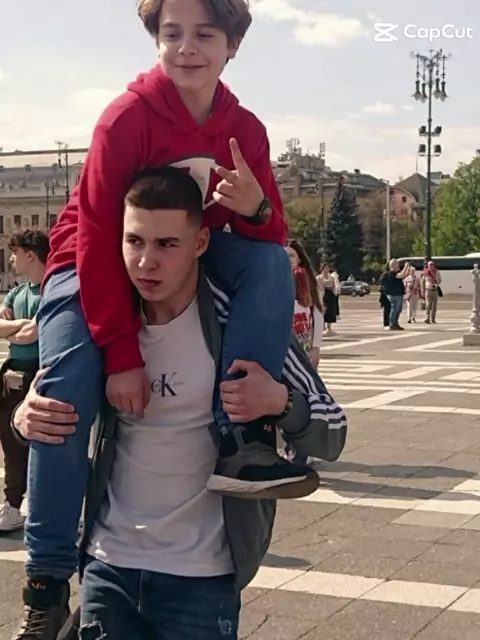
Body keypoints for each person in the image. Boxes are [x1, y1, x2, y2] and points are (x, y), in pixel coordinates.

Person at [13, 0, 313, 636]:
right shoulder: (126, 117)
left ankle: (245, 438)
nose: (186, 48)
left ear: (232, 44)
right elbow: (99, 237)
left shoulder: (244, 130)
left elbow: (270, 237)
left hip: (187, 247)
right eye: (171, 33)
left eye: (204, 33)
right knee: (62, 400)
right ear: (155, 40)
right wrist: (120, 355)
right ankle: (46, 584)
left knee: (267, 262)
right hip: (87, 255)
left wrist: (257, 208)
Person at [12, 167, 348, 640]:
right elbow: (52, 410)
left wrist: (281, 401)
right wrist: (25, 416)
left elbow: (333, 431)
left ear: (201, 243)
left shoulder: (239, 322)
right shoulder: (100, 325)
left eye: (167, 244)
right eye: (134, 241)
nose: (146, 262)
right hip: (109, 567)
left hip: (203, 578)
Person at [0, 231, 49, 532]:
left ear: (30, 255)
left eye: (15, 253)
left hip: (37, 375)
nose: (10, 259)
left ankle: (39, 505)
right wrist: (20, 325)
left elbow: (30, 335)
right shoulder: (18, 291)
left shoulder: (50, 290)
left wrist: (13, 329)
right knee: (11, 444)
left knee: (40, 446)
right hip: (11, 379)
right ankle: (12, 504)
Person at [286, 240, 324, 369]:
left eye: (291, 255)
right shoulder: (275, 281)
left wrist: (316, 347)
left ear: (300, 258)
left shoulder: (310, 283)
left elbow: (318, 316)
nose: (288, 260)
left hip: (304, 346)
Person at [378, 259, 410, 330]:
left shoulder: (395, 273)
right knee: (395, 310)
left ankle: (395, 323)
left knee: (398, 310)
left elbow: (404, 275)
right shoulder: (392, 273)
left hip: (398, 294)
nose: (398, 265)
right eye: (397, 264)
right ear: (393, 265)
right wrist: (406, 266)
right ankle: (392, 324)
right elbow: (402, 275)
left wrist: (408, 268)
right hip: (394, 295)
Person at [317, 264, 338, 336]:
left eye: (328, 268)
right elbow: (320, 286)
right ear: (322, 269)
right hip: (323, 295)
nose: (327, 269)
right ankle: (323, 327)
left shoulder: (331, 277)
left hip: (330, 295)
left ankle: (329, 328)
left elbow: (333, 286)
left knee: (330, 311)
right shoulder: (319, 278)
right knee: (323, 311)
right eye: (325, 268)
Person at [422, 260, 442, 324]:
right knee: (428, 305)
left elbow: (440, 280)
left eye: (432, 265)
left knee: (434, 305)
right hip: (428, 290)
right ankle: (427, 318)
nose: (431, 266)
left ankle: (433, 319)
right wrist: (422, 290)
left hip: (435, 290)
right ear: (428, 266)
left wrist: (437, 284)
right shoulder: (426, 272)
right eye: (430, 265)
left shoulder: (437, 272)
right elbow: (423, 281)